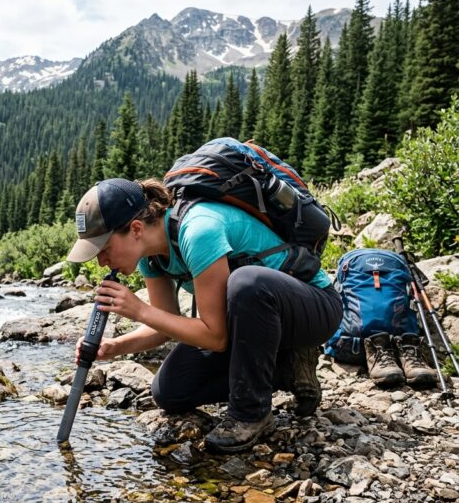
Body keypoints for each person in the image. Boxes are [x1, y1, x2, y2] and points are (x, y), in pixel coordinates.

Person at [67, 177, 343, 454]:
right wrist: (115, 347)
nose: (100, 261)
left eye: (104, 249)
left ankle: (250, 413)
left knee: (247, 283)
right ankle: (288, 368)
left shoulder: (198, 230)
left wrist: (139, 310)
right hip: (256, 326)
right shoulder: (151, 257)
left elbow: (216, 337)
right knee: (169, 391)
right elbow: (163, 325)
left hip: (314, 308)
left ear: (136, 228)